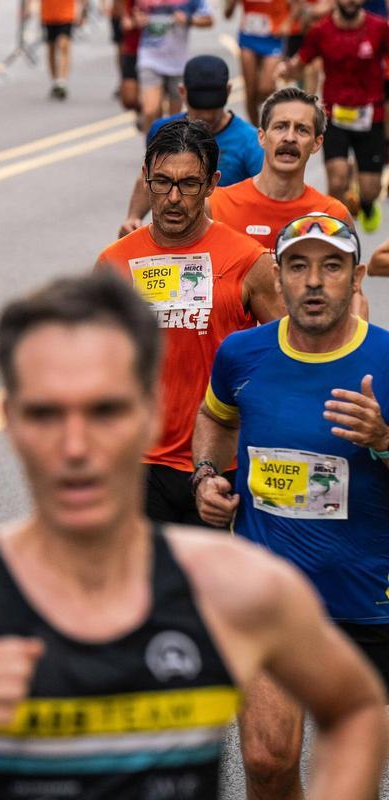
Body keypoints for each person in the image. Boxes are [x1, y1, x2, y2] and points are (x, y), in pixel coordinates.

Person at [0, 273, 388, 800]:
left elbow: (358, 708)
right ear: (12, 423)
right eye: (47, 414)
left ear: (149, 415)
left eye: (105, 411)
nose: (76, 448)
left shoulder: (230, 585)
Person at [193, 213, 389, 800]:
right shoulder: (242, 355)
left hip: (366, 599)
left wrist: (383, 439)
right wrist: (207, 474)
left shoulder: (386, 358)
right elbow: (214, 418)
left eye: (331, 267)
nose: (313, 281)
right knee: (267, 758)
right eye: (298, 266)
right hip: (269, 596)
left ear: (356, 279)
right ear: (277, 278)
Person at [97, 118, 281, 525]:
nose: (174, 198)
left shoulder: (249, 261)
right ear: (146, 179)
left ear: (212, 183)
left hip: (219, 463)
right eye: (162, 182)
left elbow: (288, 353)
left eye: (189, 184)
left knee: (210, 586)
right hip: (137, 463)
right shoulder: (113, 264)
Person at [277, 0, 389, 232]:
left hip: (372, 117)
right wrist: (287, 69)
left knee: (371, 190)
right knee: (336, 181)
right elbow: (302, 59)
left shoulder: (380, 28)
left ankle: (366, 202)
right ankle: (335, 234)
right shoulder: (321, 31)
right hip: (335, 117)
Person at [119, 55, 263, 237]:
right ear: (182, 92)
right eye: (199, 109)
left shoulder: (250, 142)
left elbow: (264, 196)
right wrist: (133, 217)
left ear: (228, 91)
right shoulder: (162, 130)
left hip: (228, 237)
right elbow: (149, 176)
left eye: (213, 108)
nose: (208, 117)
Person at [211, 87, 354, 252]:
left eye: (302, 130)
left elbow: (347, 276)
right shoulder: (217, 206)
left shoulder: (333, 216)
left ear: (317, 143)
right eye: (280, 127)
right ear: (261, 137)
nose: (290, 138)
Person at [134, 0, 214, 132]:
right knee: (150, 110)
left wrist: (188, 20)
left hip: (178, 63)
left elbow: (209, 20)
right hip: (150, 57)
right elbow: (135, 12)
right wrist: (138, 19)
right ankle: (150, 149)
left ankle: (169, 150)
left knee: (174, 119)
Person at [227, 0, 290, 124]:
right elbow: (227, 14)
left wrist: (288, 23)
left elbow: (297, 6)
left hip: (273, 39)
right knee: (250, 91)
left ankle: (272, 121)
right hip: (248, 38)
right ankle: (255, 131)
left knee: (267, 88)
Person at [41, 0, 80, 100]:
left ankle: (61, 81)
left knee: (64, 45)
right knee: (51, 49)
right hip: (49, 14)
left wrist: (82, 10)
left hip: (66, 15)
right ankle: (54, 81)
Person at [112, 0, 143, 112]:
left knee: (153, 104)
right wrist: (125, 17)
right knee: (128, 100)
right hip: (133, 47)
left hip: (157, 50)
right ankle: (141, 111)